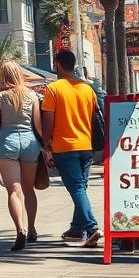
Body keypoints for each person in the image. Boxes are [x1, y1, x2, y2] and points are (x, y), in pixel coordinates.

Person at [41, 50, 101, 247]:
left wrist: (46, 143)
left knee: (76, 188)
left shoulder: (53, 88)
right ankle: (77, 229)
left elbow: (48, 118)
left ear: (57, 64)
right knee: (81, 188)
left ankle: (91, 227)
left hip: (64, 146)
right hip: (86, 145)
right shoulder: (88, 89)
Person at [0, 60, 41, 251]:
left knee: (13, 191)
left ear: (2, 76)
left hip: (7, 142)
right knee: (29, 189)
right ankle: (33, 228)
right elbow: (38, 126)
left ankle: (21, 229)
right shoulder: (32, 95)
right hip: (29, 142)